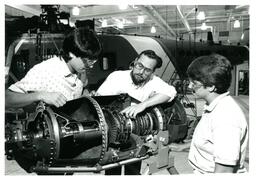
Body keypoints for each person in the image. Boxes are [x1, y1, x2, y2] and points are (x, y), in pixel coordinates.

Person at [96, 50, 177, 175]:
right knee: (112, 171)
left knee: (133, 171)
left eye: (147, 70)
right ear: (134, 62)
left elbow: (171, 92)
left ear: (152, 72)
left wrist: (143, 105)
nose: (141, 72)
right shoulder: (117, 77)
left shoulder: (153, 81)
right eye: (140, 66)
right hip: (113, 135)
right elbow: (99, 101)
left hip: (136, 136)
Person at [5, 27, 102, 109]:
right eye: (86, 61)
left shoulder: (81, 71)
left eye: (93, 62)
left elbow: (83, 87)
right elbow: (6, 98)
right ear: (71, 53)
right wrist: (41, 95)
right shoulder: (45, 71)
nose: (90, 66)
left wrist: (85, 96)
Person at [186, 54, 248, 173]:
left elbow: (224, 170)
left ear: (211, 86)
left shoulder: (225, 117)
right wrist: (183, 147)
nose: (189, 86)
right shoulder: (214, 106)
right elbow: (212, 142)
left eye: (194, 83)